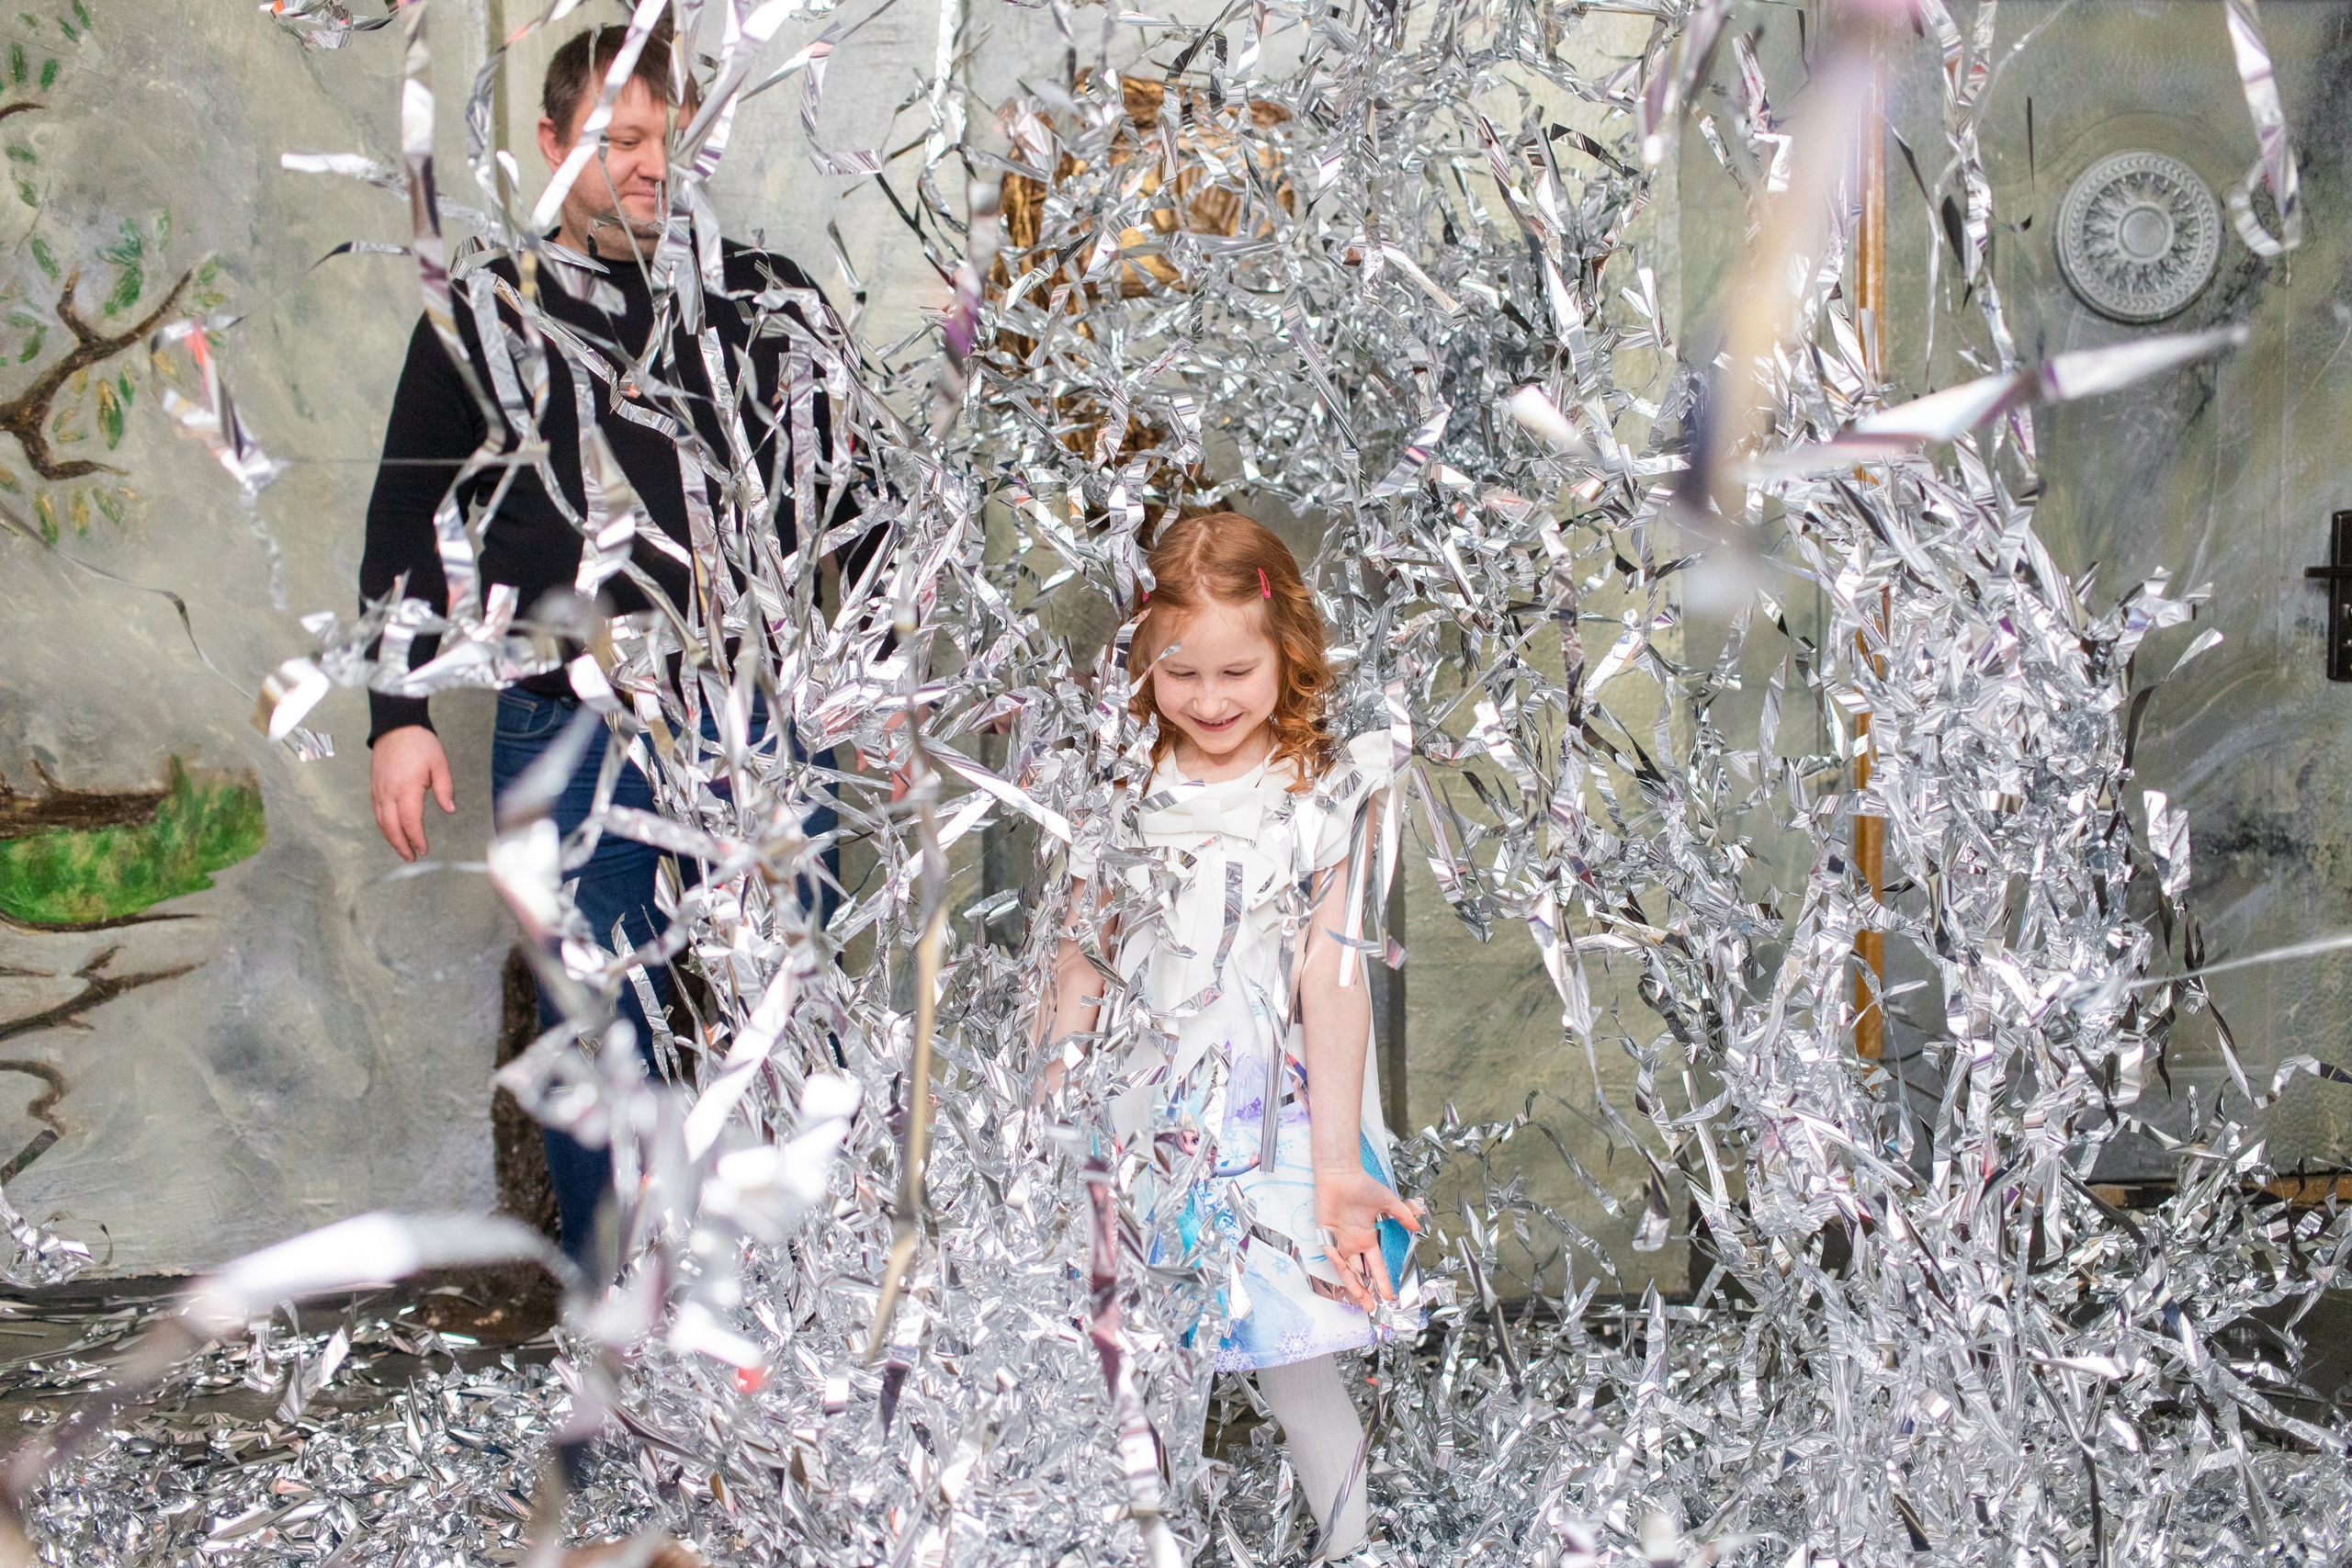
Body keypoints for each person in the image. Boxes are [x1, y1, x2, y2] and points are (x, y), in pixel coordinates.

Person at [359, 23, 861, 1263]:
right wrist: (399, 717)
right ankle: (619, 1327)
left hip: (760, 717)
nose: (651, 164)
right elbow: (403, 518)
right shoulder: (483, 311)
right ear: (551, 146)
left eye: (671, 138)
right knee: (598, 1035)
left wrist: (884, 673)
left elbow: (864, 506)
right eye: (618, 140)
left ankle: (795, 1319)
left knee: (785, 1018)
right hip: (567, 722)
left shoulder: (770, 301)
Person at [1042, 512, 1420, 1557]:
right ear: (1144, 666)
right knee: (1140, 1371)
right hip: (1145, 1107)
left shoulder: (1324, 792)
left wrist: (1336, 1162)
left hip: (1273, 1114)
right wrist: (1046, 1105)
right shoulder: (1121, 787)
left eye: (1236, 673)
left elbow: (1332, 980)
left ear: (1285, 649)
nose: (1208, 702)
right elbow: (1081, 957)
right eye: (1179, 676)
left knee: (1298, 1367)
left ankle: (1353, 1551)